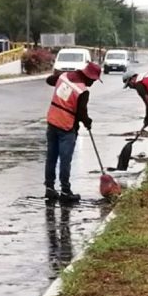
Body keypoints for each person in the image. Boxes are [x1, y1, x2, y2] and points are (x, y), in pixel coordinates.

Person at [45, 62, 102, 201]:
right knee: (65, 159)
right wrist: (88, 122)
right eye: (93, 80)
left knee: (51, 157)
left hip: (52, 121)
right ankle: (65, 191)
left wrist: (57, 76)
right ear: (88, 76)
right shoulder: (82, 91)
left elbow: (49, 80)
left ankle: (49, 188)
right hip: (66, 127)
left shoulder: (63, 76)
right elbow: (82, 113)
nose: (92, 83)